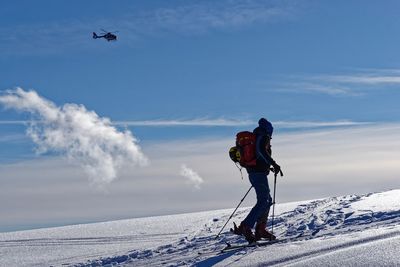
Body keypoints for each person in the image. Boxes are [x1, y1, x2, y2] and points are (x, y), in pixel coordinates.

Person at [233, 118, 282, 243]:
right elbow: (261, 151)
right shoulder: (263, 135)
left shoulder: (256, 137)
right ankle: (246, 226)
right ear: (269, 129)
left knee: (267, 200)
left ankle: (260, 229)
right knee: (263, 200)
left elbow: (258, 155)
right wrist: (274, 164)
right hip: (257, 173)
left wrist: (267, 167)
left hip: (254, 172)